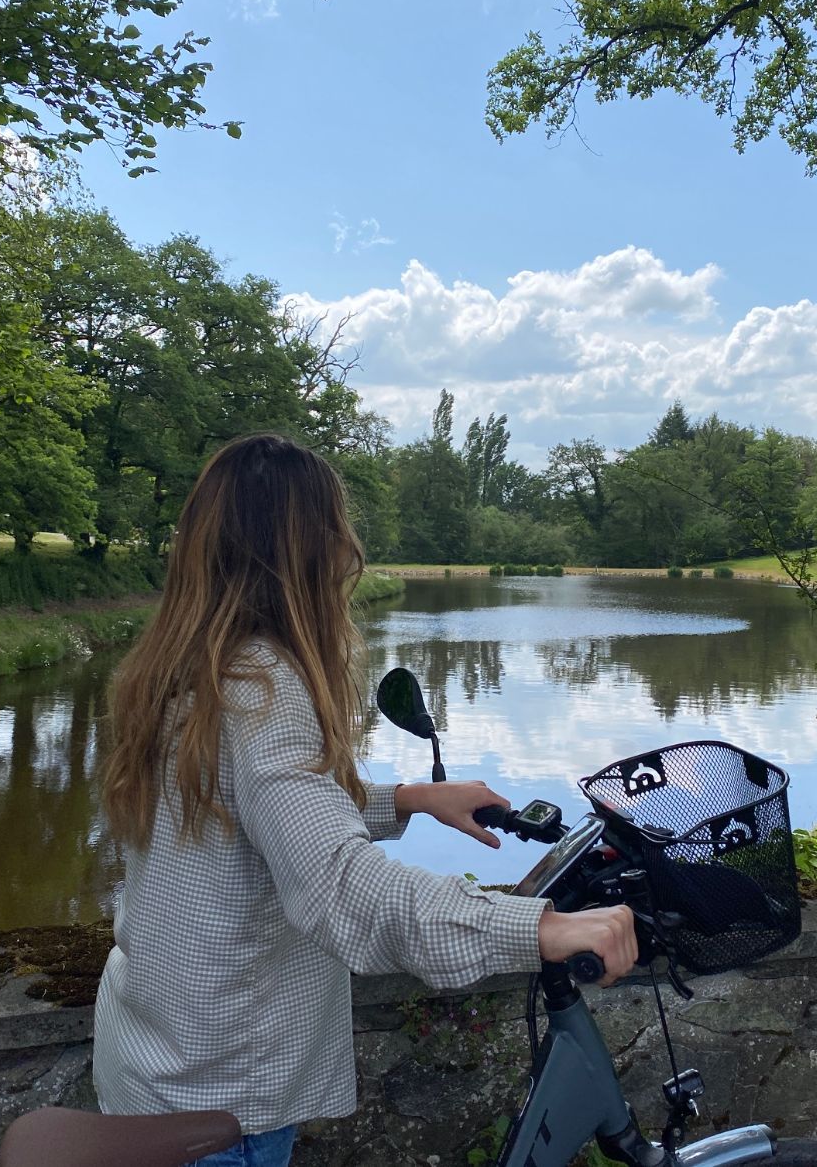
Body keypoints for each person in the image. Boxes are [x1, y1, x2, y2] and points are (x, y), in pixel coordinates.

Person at [93, 432, 637, 1167]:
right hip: (221, 1099)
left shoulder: (176, 669)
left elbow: (250, 810)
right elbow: (339, 889)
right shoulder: (264, 687)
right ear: (315, 552)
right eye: (337, 532)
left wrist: (409, 798)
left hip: (147, 1058)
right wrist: (538, 926)